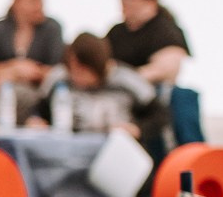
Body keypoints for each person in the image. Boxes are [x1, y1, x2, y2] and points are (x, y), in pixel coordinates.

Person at [27, 33, 160, 137]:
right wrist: (36, 121)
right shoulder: (59, 78)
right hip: (66, 153)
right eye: (72, 69)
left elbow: (159, 115)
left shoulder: (127, 80)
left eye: (82, 71)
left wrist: (138, 129)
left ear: (97, 66)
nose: (76, 76)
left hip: (115, 152)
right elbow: (39, 109)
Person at [106, 0, 190, 86]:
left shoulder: (166, 31)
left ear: (150, 0)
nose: (123, 1)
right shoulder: (117, 32)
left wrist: (126, 78)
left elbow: (166, 70)